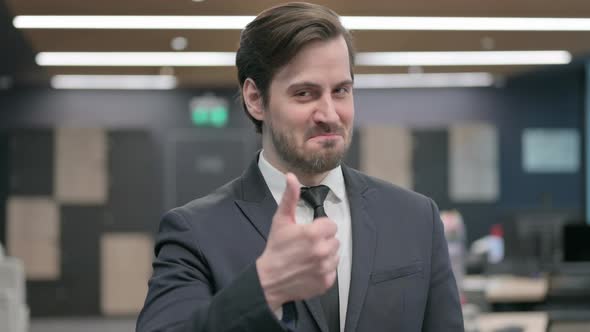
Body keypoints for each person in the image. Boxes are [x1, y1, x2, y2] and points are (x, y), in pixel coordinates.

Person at [136, 2, 464, 332]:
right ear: (255, 99)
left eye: (341, 91)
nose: (330, 114)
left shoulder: (416, 218)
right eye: (305, 93)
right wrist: (265, 288)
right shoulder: (195, 232)